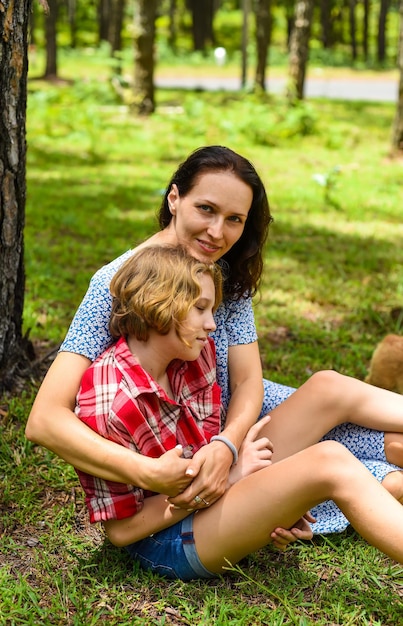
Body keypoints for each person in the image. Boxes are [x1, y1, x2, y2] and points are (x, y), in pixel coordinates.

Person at [26, 145, 403, 536]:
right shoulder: (118, 283)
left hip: (235, 418)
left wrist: (228, 444)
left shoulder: (221, 271)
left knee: (366, 420)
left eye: (234, 219)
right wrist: (152, 473)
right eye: (206, 209)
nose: (217, 232)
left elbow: (246, 381)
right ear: (174, 198)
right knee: (377, 473)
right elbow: (45, 420)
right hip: (183, 445)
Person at [74, 243, 403, 582]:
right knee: (330, 461)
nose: (212, 324)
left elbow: (212, 449)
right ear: (158, 307)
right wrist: (233, 479)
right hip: (167, 538)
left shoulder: (191, 354)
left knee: (327, 387)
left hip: (223, 484)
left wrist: (266, 493)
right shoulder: (111, 401)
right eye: (200, 309)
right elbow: (121, 532)